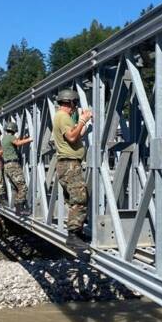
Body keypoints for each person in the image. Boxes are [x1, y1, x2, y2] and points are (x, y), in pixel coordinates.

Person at [52, 89, 92, 250]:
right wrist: (82, 120)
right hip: (69, 164)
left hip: (67, 164)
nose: (75, 106)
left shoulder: (62, 117)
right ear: (70, 102)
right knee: (79, 199)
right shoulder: (62, 116)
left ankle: (78, 231)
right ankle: (73, 235)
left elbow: (75, 135)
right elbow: (72, 137)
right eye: (75, 103)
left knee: (74, 199)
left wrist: (85, 124)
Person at [1, 121, 33, 215]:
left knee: (15, 187)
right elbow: (18, 143)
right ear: (14, 130)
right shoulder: (11, 137)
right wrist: (30, 139)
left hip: (7, 166)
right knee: (23, 187)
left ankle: (18, 209)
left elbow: (16, 142)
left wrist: (24, 138)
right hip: (13, 165)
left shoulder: (4, 138)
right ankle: (19, 208)